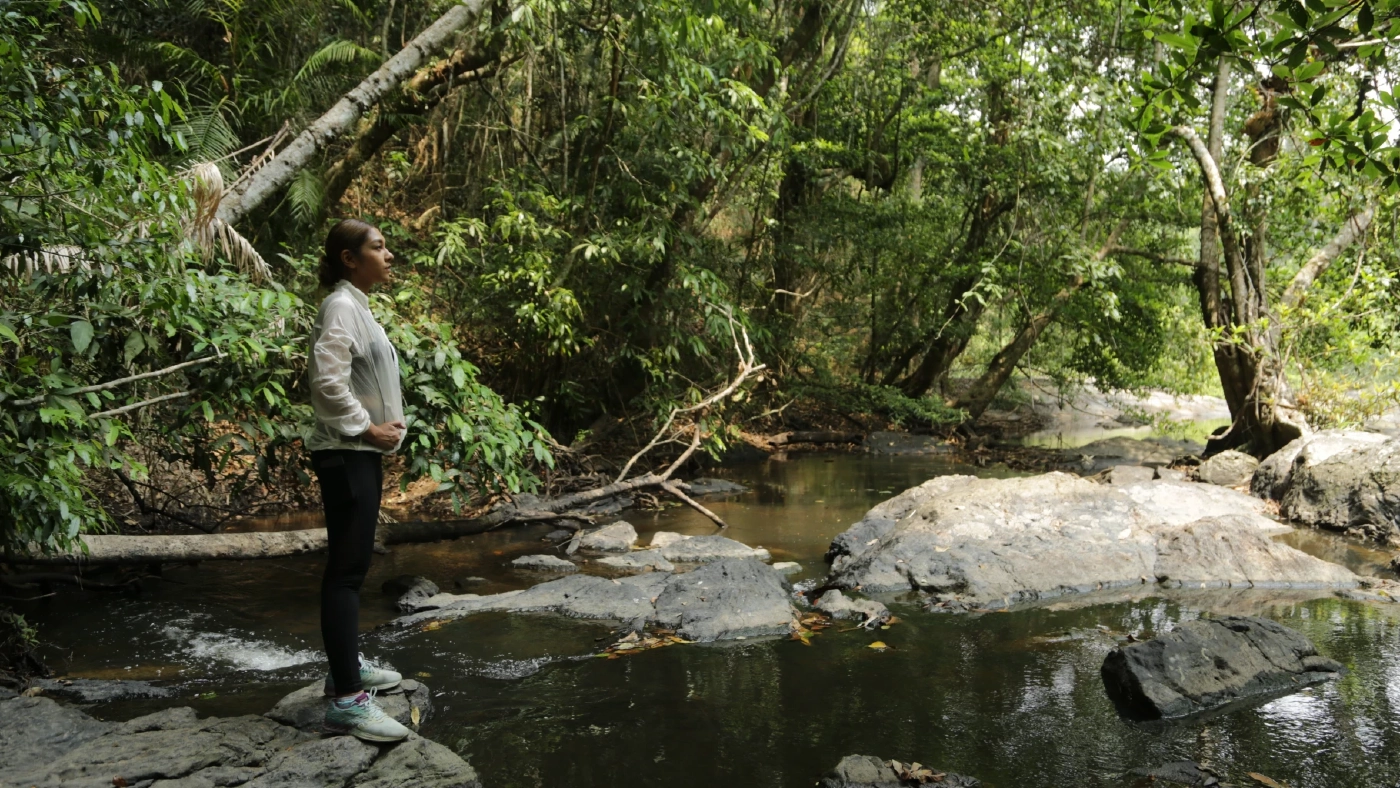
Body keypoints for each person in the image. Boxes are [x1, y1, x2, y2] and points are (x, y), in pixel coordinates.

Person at [306, 219, 411, 742]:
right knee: (346, 572)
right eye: (378, 247)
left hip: (357, 453)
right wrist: (366, 428)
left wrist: (376, 432)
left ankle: (343, 671)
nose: (388, 255)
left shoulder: (358, 306)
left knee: (353, 567)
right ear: (350, 258)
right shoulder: (342, 306)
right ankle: (347, 699)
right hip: (347, 452)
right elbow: (325, 378)